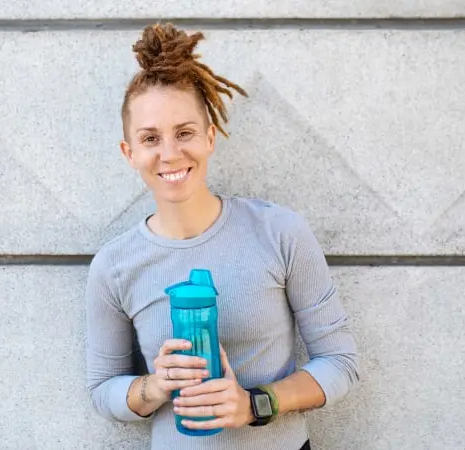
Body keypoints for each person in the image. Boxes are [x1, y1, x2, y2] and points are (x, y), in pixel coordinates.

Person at [85, 22, 360, 450]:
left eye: (185, 132)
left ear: (210, 136)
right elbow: (103, 389)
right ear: (130, 153)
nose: (170, 153)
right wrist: (155, 387)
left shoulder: (279, 232)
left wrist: (255, 405)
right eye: (150, 138)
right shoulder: (114, 266)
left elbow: (341, 363)